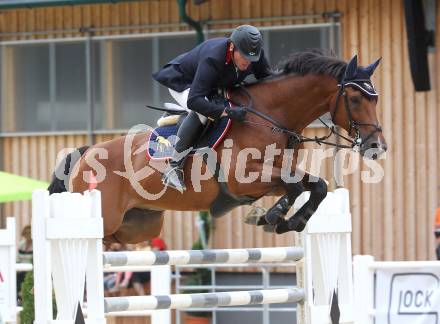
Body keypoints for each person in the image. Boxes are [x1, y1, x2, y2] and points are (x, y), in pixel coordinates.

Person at [153, 25, 272, 192]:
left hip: (211, 86)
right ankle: (173, 166)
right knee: (201, 112)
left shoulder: (254, 55)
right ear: (232, 47)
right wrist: (226, 112)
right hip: (184, 82)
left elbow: (267, 80)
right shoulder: (213, 58)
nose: (247, 62)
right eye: (243, 56)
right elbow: (194, 100)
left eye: (251, 58)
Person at [16, 225, 33, 303]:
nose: (27, 236)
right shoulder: (21, 244)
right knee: (16, 279)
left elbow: (32, 260)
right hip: (21, 270)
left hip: (30, 270)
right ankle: (18, 299)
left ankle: (22, 298)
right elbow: (17, 258)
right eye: (26, 234)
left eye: (29, 234)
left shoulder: (35, 245)